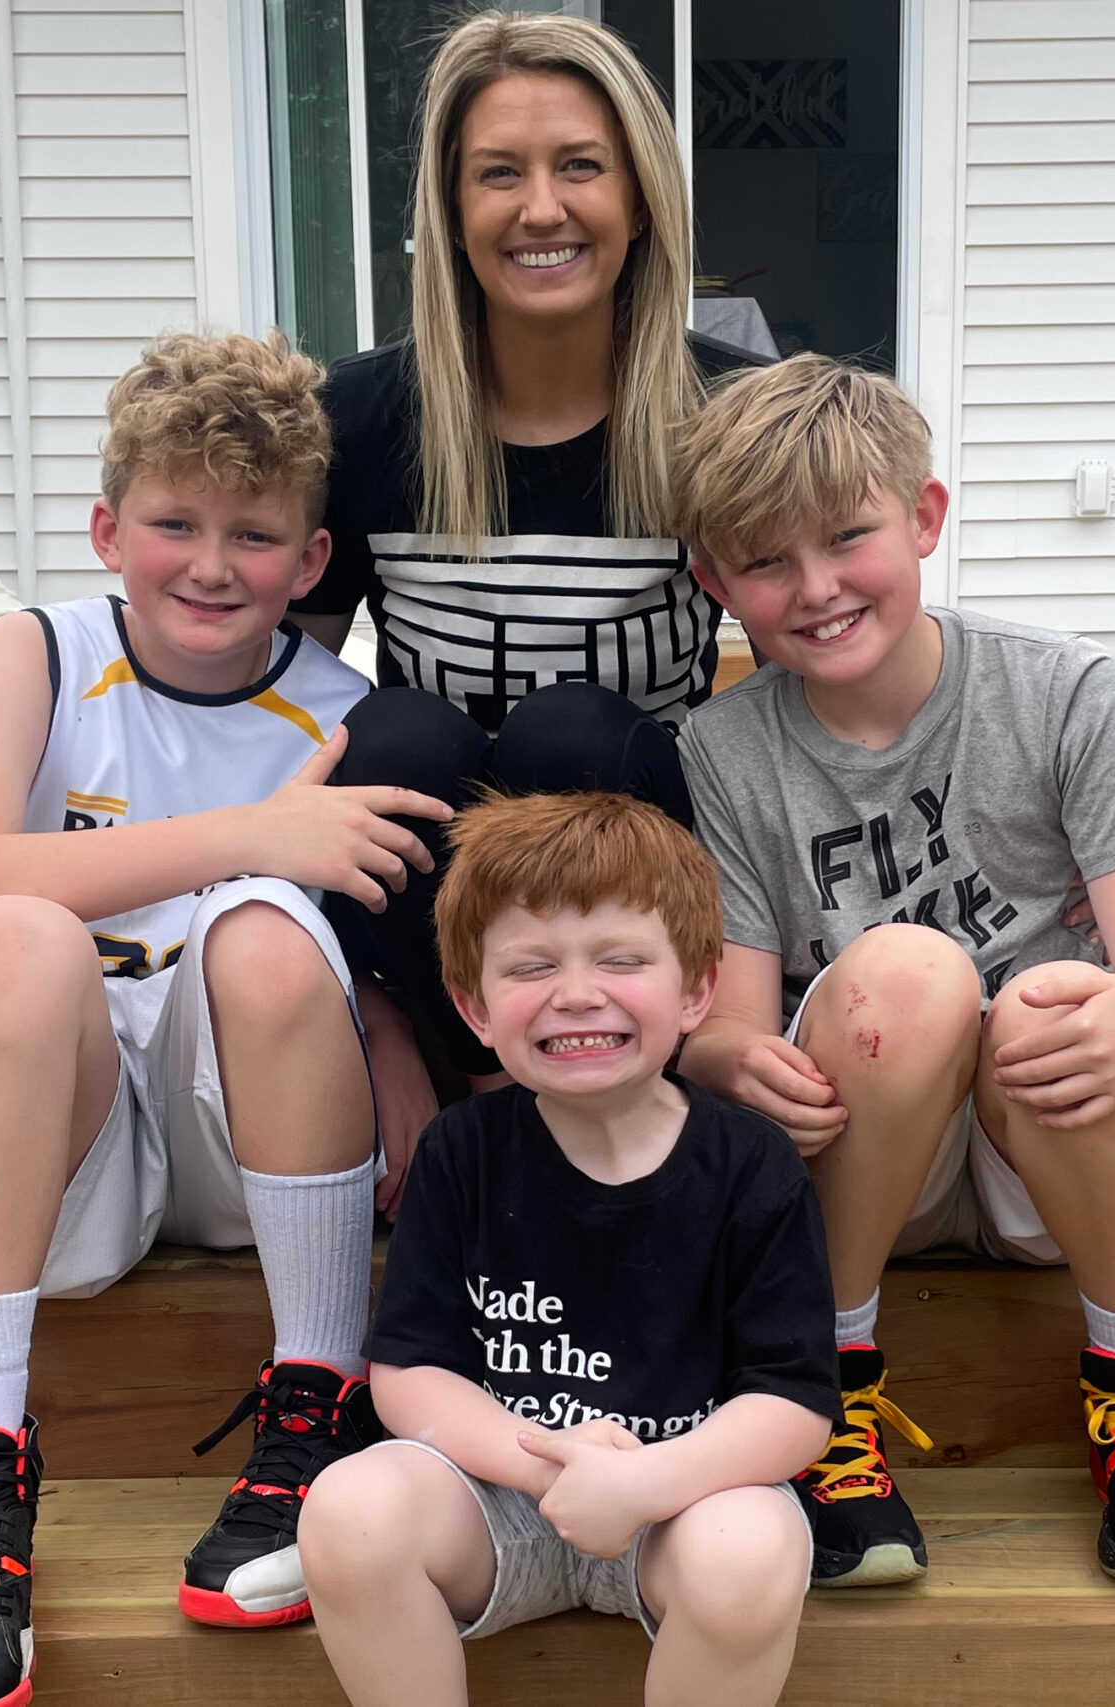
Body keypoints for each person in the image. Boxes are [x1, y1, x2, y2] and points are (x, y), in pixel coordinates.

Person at [0, 329, 457, 1707]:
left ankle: (317, 1395)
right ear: (106, 526)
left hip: (243, 1143)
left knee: (266, 926)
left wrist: (387, 1035)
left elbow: (353, 947)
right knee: (14, 926)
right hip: (63, 1142)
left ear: (313, 561)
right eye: (173, 522)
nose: (209, 563)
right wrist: (248, 830)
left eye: (254, 534)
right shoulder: (34, 652)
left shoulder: (343, 710)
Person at [671, 355, 1115, 1593]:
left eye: (847, 537)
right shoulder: (720, 749)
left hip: (1057, 1151)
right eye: (766, 561)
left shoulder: (1068, 694)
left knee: (1047, 996)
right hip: (870, 1157)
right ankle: (823, 1383)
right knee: (913, 974)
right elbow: (727, 1024)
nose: (816, 589)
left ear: (922, 518)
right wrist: (731, 1060)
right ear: (716, 583)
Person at [291, 11, 761, 1100]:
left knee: (571, 726)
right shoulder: (360, 419)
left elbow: (817, 676)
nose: (540, 208)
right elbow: (284, 707)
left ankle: (616, 1059)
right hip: (436, 909)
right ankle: (472, 1074)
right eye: (498, 172)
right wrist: (371, 1014)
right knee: (396, 729)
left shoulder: (724, 415)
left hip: (642, 876)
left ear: (640, 199)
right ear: (452, 214)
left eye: (580, 167)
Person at [297, 791, 839, 1707]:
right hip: (497, 1494)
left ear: (698, 990)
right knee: (349, 1510)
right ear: (473, 1006)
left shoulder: (750, 1162)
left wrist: (642, 1480)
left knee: (754, 1548)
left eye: (621, 960)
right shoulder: (463, 1150)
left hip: (683, 1501)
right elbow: (411, 1375)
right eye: (531, 966)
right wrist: (548, 1464)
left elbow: (791, 1404)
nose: (577, 992)